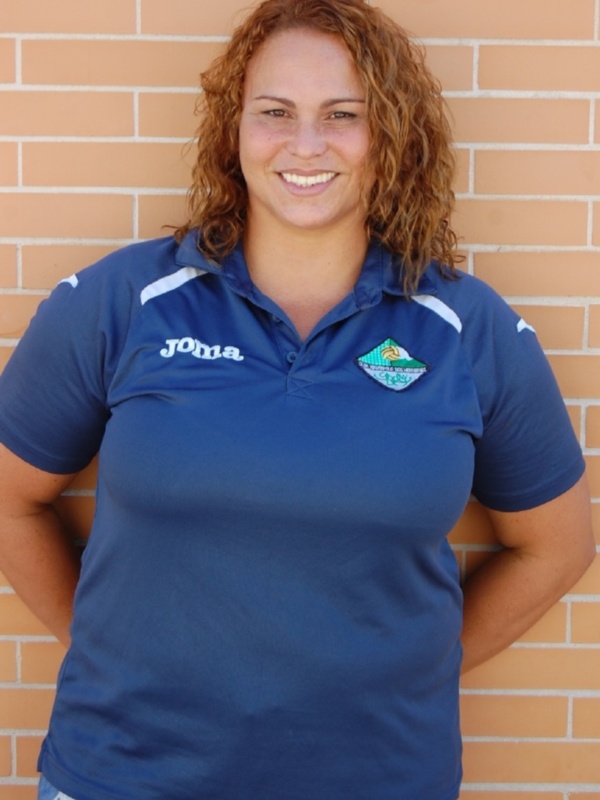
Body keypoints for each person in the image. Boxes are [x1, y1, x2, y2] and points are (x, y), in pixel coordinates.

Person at [0, 0, 594, 798]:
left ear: (387, 136)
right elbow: (10, 498)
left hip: (377, 779)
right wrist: (103, 647)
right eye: (274, 112)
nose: (305, 145)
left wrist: (412, 669)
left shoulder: (465, 327)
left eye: (342, 115)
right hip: (126, 776)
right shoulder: (125, 301)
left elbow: (557, 543)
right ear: (233, 132)